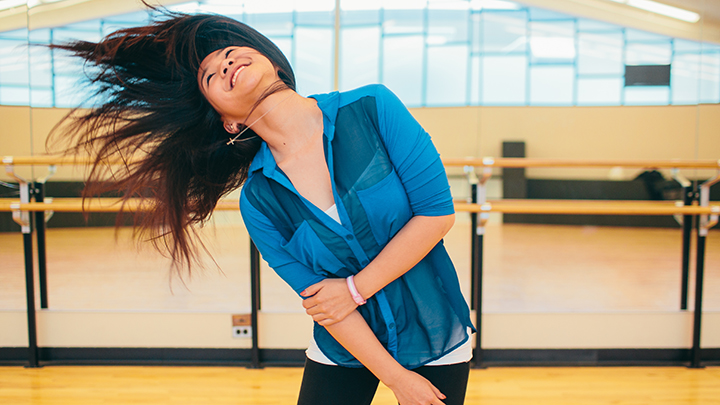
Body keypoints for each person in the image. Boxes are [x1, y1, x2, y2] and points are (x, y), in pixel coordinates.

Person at [50, 6, 475, 405]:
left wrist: (352, 289)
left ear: (274, 63)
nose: (226, 64)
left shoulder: (372, 108)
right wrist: (397, 378)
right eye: (212, 75)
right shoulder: (258, 201)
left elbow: (436, 215)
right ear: (225, 119)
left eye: (232, 54)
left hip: (434, 326)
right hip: (347, 347)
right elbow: (323, 304)